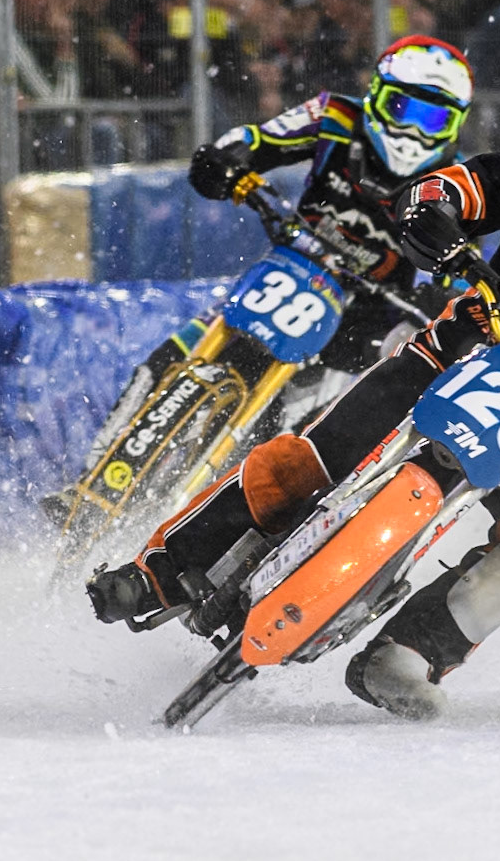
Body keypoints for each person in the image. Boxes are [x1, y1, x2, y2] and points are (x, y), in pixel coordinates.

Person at [87, 79, 500, 721]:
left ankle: (410, 653)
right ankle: (160, 570)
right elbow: (450, 188)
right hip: (446, 356)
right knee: (312, 458)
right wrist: (436, 218)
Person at [43, 35, 474, 524]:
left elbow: (464, 263)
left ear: (455, 126)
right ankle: (91, 480)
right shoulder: (334, 116)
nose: (413, 131)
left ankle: (297, 511)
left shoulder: (455, 181)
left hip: (368, 315)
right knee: (167, 358)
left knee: (336, 419)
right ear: (376, 96)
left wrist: (441, 291)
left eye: (434, 119)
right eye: (402, 107)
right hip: (290, 272)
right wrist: (224, 162)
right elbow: (257, 140)